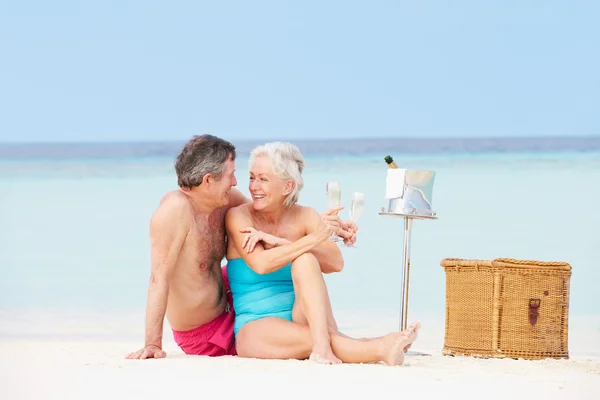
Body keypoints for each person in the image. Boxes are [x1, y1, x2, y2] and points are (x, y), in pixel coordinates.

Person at [126, 134, 357, 360]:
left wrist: (331, 228)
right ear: (208, 180)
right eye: (232, 175)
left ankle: (323, 337)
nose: (236, 183)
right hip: (207, 333)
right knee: (313, 333)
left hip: (236, 307)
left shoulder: (226, 199)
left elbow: (273, 212)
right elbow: (158, 278)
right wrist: (152, 343)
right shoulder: (174, 211)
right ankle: (348, 344)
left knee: (302, 265)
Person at [225, 141, 420, 366]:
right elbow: (261, 264)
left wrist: (282, 242)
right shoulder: (238, 217)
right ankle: (379, 345)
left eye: (263, 179)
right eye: (252, 177)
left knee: (306, 260)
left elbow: (336, 263)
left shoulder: (305, 215)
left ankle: (328, 345)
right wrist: (314, 238)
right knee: (326, 335)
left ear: (288, 186)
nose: (253, 187)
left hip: (307, 318)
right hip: (257, 327)